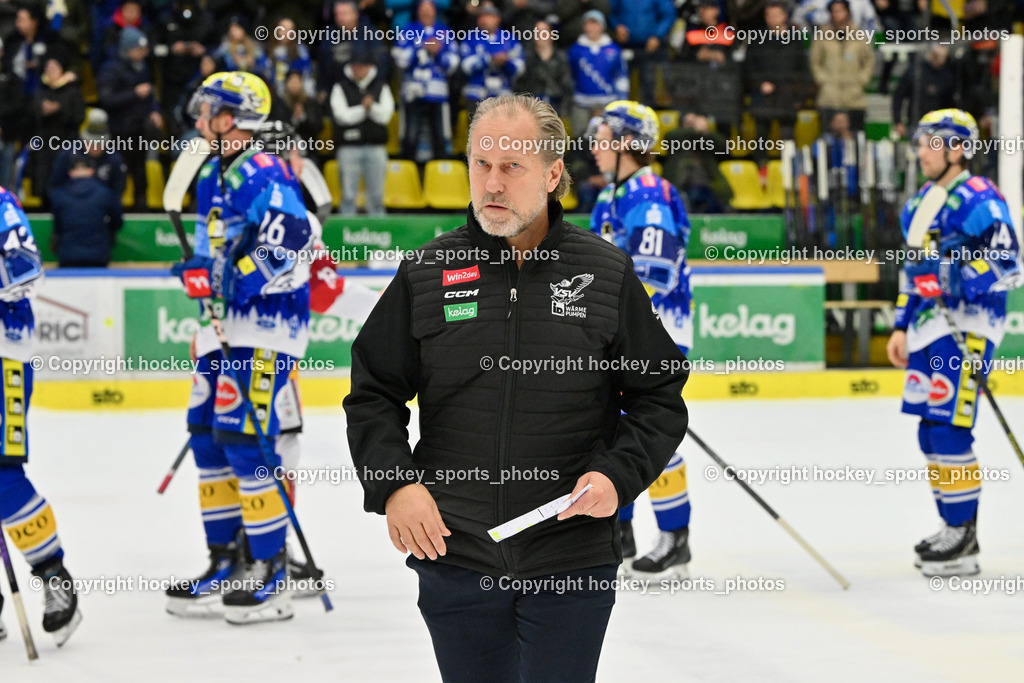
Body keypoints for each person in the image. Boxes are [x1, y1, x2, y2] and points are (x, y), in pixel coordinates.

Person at [344, 93, 689, 682]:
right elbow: (373, 393)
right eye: (482, 163)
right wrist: (395, 484)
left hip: (570, 559)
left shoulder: (604, 272)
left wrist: (617, 475)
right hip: (455, 555)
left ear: (553, 174)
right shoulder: (427, 271)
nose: (492, 183)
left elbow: (658, 398)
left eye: (512, 166)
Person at [164, 71, 315, 624]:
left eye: (212, 108)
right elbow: (210, 250)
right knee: (206, 435)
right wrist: (195, 272)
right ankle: (226, 561)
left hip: (267, 325)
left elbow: (291, 241)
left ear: (237, 118)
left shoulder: (264, 171)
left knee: (245, 437)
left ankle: (272, 572)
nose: (201, 117)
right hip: (222, 325)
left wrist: (234, 279)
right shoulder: (211, 174)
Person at [885, 109, 1021, 578]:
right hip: (928, 328)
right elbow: (912, 271)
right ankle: (951, 525)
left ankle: (964, 535)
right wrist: (902, 324)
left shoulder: (980, 198)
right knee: (929, 430)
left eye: (930, 142)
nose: (921, 150)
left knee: (949, 428)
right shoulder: (920, 202)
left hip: (967, 326)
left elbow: (1008, 262)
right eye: (920, 141)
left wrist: (951, 277)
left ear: (956, 148)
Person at [587, 100, 693, 576]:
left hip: (655, 330)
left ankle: (675, 536)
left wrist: (616, 325)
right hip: (623, 330)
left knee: (652, 435)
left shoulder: (647, 193)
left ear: (628, 142)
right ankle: (621, 531)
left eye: (603, 134)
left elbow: (654, 271)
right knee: (611, 431)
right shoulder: (610, 195)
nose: (594, 144)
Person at [0, 183, 82, 646]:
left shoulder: (1, 205)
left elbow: (28, 270)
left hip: (2, 355)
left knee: (2, 475)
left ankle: (54, 576)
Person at [330, 45, 394, 215]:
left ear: (369, 67)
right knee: (348, 196)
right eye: (355, 65)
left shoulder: (381, 86)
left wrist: (371, 107)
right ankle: (345, 232)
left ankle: (381, 233)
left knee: (377, 196)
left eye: (362, 65)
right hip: (348, 147)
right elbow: (341, 116)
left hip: (376, 147)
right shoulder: (341, 87)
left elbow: (385, 116)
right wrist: (364, 109)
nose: (358, 69)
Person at [392, 0, 459, 161]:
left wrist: (439, 53)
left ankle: (440, 172)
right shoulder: (408, 30)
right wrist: (420, 47)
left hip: (437, 92)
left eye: (429, 10)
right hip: (413, 91)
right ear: (418, 12)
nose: (426, 13)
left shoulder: (445, 32)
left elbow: (453, 63)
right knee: (411, 133)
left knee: (439, 133)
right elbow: (400, 58)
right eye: (423, 10)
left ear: (435, 11)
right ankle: (409, 170)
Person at [49, 154, 122, 267]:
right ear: (91, 171)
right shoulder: (105, 193)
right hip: (98, 256)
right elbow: (117, 222)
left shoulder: (59, 195)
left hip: (68, 257)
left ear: (71, 173)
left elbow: (57, 227)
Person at [567, 9, 627, 140]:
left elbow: (621, 76)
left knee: (607, 137)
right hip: (581, 102)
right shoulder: (575, 50)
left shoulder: (613, 49)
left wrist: (621, 100)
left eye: (594, 23)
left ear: (602, 27)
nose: (590, 27)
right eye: (587, 24)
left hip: (607, 102)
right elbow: (570, 75)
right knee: (580, 139)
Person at [459, 3, 524, 120]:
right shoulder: (471, 38)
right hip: (476, 93)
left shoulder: (509, 39)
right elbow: (466, 66)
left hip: (502, 95)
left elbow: (520, 67)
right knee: (476, 133)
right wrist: (489, 59)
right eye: (481, 16)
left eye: (488, 16)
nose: (483, 19)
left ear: (497, 18)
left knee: (503, 133)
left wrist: (505, 62)